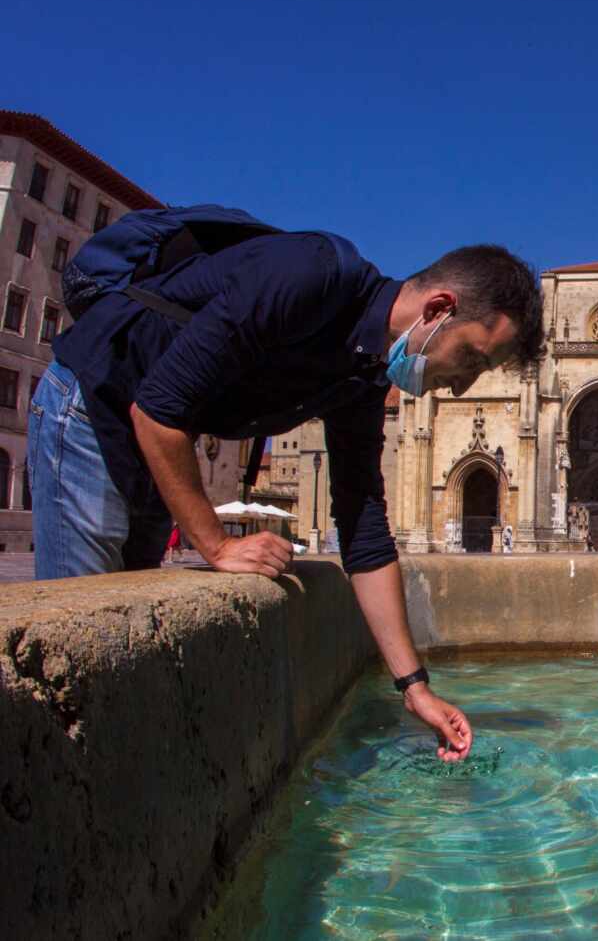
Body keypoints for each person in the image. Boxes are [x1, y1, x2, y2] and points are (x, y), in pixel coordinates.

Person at [30, 219, 543, 763]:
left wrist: (414, 689)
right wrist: (218, 545)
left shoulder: (361, 376)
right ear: (438, 310)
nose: (463, 384)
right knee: (76, 662)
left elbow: (363, 527)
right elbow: (157, 409)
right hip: (91, 407)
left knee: (121, 639)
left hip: (160, 445)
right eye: (471, 359)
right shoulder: (311, 275)